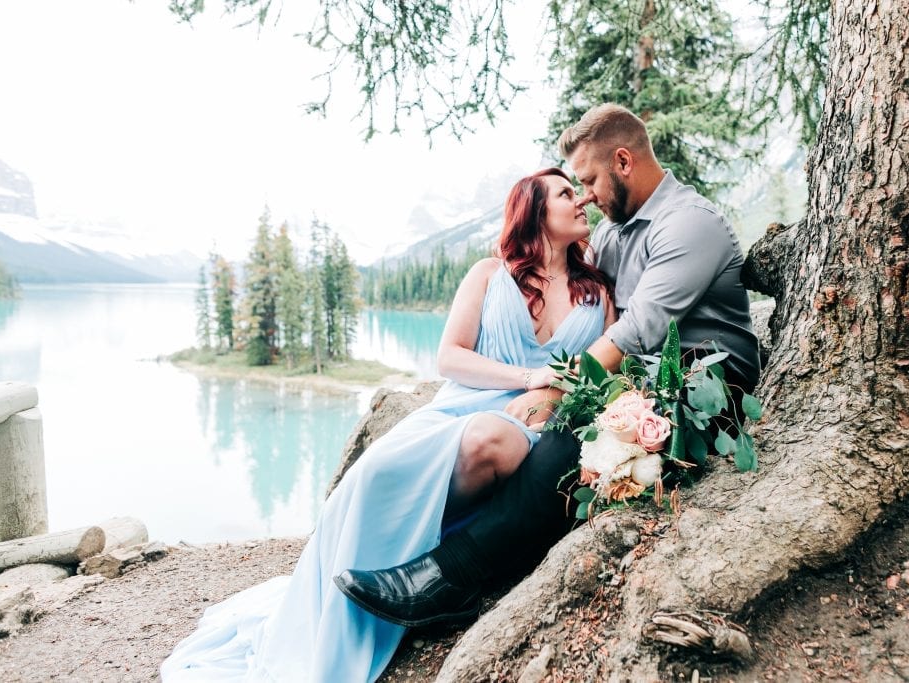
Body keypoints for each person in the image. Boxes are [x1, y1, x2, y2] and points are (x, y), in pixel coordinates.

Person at [159, 167, 613, 682]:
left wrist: (547, 394)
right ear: (533, 209)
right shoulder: (489, 274)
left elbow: (609, 361)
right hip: (462, 406)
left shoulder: (598, 293)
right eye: (565, 193)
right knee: (375, 475)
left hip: (536, 421)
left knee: (495, 440)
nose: (581, 202)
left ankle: (438, 569)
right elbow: (450, 357)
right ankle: (357, 581)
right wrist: (528, 375)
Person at [336, 103, 761, 627]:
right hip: (640, 375)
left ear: (623, 161)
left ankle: (454, 578)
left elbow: (638, 330)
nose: (585, 195)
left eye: (588, 180)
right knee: (565, 434)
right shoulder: (611, 234)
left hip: (705, 379)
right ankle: (426, 549)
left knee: (570, 438)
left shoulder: (689, 224)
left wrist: (555, 390)